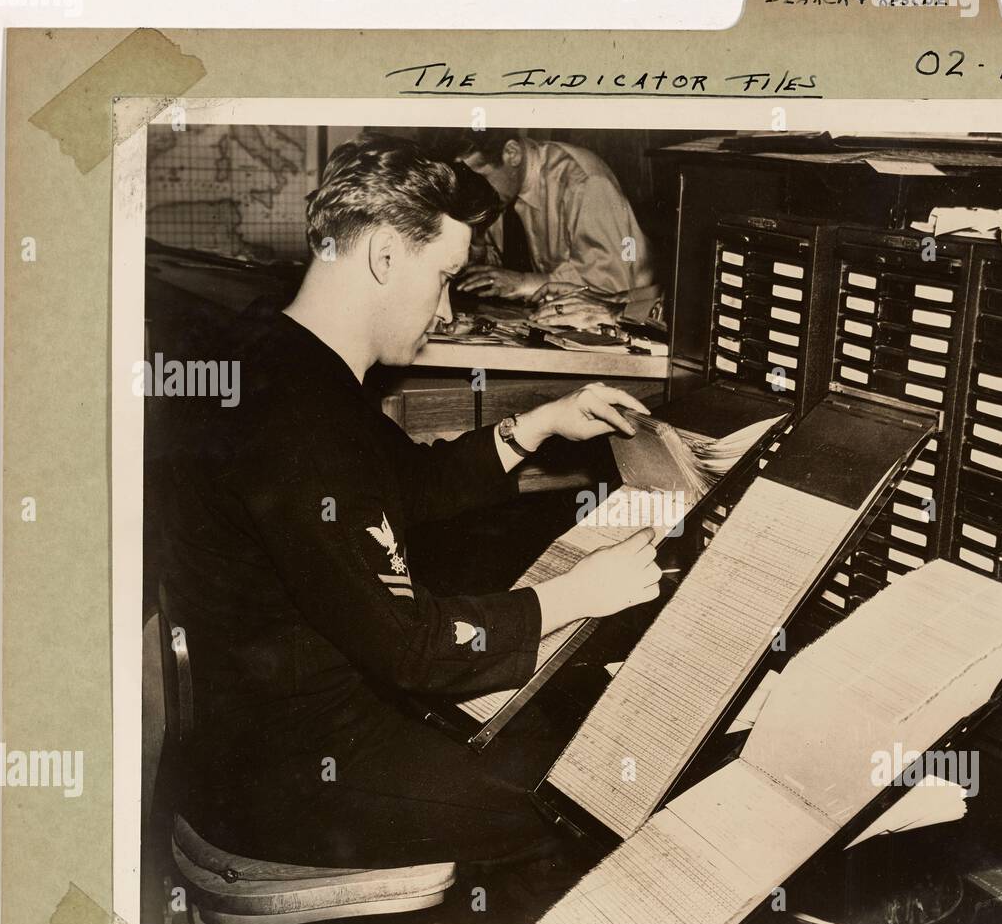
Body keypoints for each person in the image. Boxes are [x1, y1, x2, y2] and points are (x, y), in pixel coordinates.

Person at [153, 133, 663, 870]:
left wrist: (541, 422)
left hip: (278, 730)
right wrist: (579, 593)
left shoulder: (285, 354)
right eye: (445, 277)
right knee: (593, 805)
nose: (448, 310)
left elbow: (409, 485)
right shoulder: (299, 422)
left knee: (556, 736)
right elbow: (411, 645)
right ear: (387, 257)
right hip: (293, 777)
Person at [452, 130, 657, 308]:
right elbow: (492, 268)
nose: (474, 192)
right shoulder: (502, 192)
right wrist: (477, 248)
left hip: (628, 317)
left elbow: (610, 286)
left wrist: (523, 283)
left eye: (480, 178)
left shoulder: (583, 183)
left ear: (512, 153)